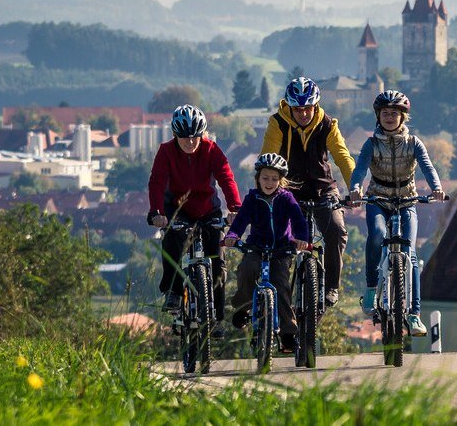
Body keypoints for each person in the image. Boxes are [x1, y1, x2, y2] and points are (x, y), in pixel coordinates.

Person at [348, 89, 447, 337]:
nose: (389, 117)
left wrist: (436, 189)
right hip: (378, 200)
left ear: (403, 117)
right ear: (378, 116)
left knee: (410, 252)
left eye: (394, 113)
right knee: (377, 234)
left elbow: (428, 167)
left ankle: (413, 315)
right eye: (385, 113)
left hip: (406, 200)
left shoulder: (414, 143)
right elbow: (359, 170)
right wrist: (355, 189)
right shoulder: (371, 144)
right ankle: (372, 288)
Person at [147, 104, 241, 338]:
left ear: (202, 134)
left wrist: (235, 208)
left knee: (217, 262)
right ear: (175, 136)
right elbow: (157, 182)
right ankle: (174, 292)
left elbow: (226, 178)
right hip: (176, 209)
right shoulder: (166, 151)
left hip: (207, 210)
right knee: (172, 243)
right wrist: (157, 212)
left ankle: (216, 318)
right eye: (184, 138)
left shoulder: (211, 150)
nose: (190, 142)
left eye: (195, 137)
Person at [260, 76, 356, 306]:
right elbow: (268, 160)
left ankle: (332, 286)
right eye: (298, 109)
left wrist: (356, 188)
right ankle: (277, 295)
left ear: (316, 106)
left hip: (324, 190)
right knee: (279, 240)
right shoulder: (278, 123)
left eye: (308, 108)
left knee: (336, 231)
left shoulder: (328, 125)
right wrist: (268, 191)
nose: (303, 113)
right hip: (289, 191)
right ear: (290, 107)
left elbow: (343, 158)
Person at [223, 152, 309, 353]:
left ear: (280, 181)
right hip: (256, 247)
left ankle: (288, 333)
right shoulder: (252, 199)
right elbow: (241, 221)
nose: (269, 182)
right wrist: (233, 235)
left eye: (274, 179)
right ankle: (244, 306)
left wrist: (302, 238)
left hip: (281, 249)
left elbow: (298, 221)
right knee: (246, 269)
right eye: (265, 178)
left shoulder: (287, 199)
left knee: (281, 286)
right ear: (257, 179)